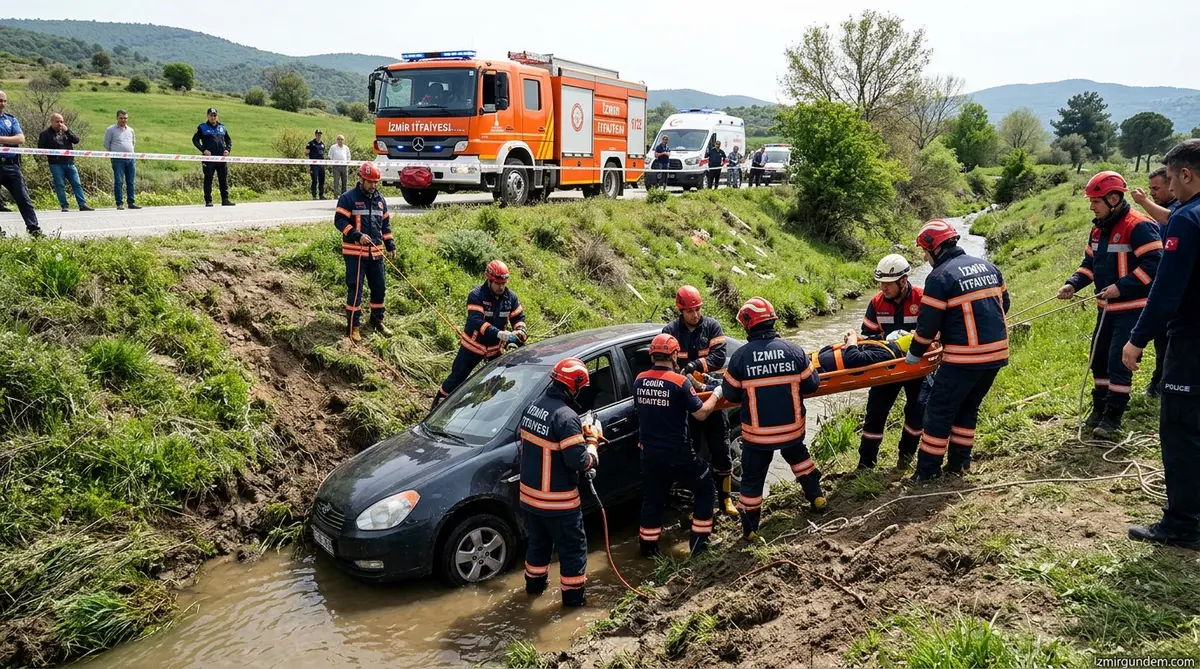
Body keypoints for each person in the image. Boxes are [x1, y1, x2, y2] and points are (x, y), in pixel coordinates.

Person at [1122, 139, 1200, 550]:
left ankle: (1184, 524)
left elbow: (1166, 292)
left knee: (1181, 429)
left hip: (1191, 342)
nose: (1168, 186)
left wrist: (1136, 339)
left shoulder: (1187, 221)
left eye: (1170, 179)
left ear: (1185, 175)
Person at [1056, 171, 1162, 439]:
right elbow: (1090, 265)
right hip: (1106, 310)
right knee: (1098, 359)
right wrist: (1072, 284)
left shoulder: (1138, 225)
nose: (1091, 206)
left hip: (1133, 309)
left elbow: (1154, 265)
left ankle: (1113, 416)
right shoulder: (1098, 229)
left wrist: (1120, 287)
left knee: (1118, 362)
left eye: (1095, 201)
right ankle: (1100, 405)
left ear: (1113, 198)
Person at [906, 219, 1010, 483]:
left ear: (934, 248)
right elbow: (1003, 305)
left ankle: (927, 471)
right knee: (968, 407)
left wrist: (915, 353)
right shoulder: (989, 267)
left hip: (964, 359)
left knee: (938, 410)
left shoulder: (940, 277)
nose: (925, 257)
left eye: (925, 252)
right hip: (996, 354)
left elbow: (927, 325)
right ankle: (959, 464)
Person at [721, 297, 823, 542]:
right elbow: (812, 385)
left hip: (758, 436)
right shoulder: (794, 351)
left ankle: (751, 530)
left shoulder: (740, 358)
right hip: (792, 431)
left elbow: (730, 394)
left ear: (748, 326)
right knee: (800, 459)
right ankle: (817, 497)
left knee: (752, 479)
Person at [635, 334, 726, 557]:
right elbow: (702, 414)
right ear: (675, 355)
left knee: (653, 499)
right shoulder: (679, 382)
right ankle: (699, 546)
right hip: (677, 452)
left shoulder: (639, 380)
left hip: (649, 453)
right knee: (705, 488)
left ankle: (648, 550)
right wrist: (716, 394)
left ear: (652, 355)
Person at [519, 357, 599, 606]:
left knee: (538, 546)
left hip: (530, 499)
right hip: (558, 503)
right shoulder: (566, 417)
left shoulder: (532, 407)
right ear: (573, 386)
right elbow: (579, 461)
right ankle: (573, 603)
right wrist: (593, 442)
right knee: (573, 550)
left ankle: (533, 591)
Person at [662, 285, 736, 518]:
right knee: (691, 452)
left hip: (712, 399)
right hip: (686, 403)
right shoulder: (671, 331)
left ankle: (725, 501)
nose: (695, 314)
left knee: (721, 450)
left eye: (698, 309)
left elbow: (719, 356)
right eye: (690, 311)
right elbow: (667, 361)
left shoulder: (712, 326)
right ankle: (698, 502)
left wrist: (696, 367)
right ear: (680, 311)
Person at [856, 254, 926, 471]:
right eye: (881, 283)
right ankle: (866, 464)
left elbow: (935, 332)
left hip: (917, 366)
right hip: (886, 366)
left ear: (903, 281)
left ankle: (905, 458)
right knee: (875, 412)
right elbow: (866, 337)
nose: (883, 288)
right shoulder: (876, 303)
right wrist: (887, 340)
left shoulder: (922, 299)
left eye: (888, 284)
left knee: (917, 412)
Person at [432, 260, 527, 409]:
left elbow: (518, 317)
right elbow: (476, 321)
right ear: (489, 280)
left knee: (497, 380)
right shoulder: (477, 295)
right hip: (472, 347)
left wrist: (520, 330)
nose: (501, 287)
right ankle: (439, 405)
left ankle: (479, 406)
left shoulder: (510, 298)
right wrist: (500, 334)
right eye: (497, 283)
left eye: (503, 283)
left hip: (494, 350)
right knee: (457, 377)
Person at [335, 162, 395, 342]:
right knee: (356, 290)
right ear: (360, 179)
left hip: (376, 254)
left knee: (379, 288)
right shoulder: (348, 198)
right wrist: (356, 234)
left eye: (375, 182)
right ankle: (353, 326)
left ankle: (377, 320)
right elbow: (339, 221)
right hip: (355, 254)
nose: (373, 185)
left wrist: (390, 244)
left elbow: (385, 224)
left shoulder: (380, 200)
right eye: (369, 182)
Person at [1132, 167, 1178, 398]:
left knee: (1167, 338)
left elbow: (1168, 219)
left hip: (1173, 287)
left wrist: (1142, 202)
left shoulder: (1180, 211)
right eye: (1150, 189)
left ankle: (1162, 383)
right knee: (1162, 337)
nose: (1153, 193)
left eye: (1157, 188)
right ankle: (1159, 382)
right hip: (1157, 282)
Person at [0, 90, 42, 237]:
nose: (2, 104)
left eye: (4, 101)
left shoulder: (11, 120)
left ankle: (34, 229)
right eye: (0, 101)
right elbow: (13, 138)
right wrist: (8, 138)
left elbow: (20, 139)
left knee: (23, 198)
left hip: (11, 164)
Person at [37, 113, 92, 213]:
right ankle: (64, 205)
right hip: (55, 163)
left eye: (61, 121)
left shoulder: (66, 132)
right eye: (57, 122)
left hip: (70, 162)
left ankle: (82, 204)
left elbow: (76, 140)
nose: (59, 124)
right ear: (52, 122)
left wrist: (67, 131)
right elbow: (40, 149)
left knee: (77, 184)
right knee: (60, 184)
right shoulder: (45, 134)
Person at [815, 330, 912, 373]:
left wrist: (852, 342)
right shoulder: (886, 346)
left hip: (819, 368)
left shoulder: (886, 354)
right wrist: (855, 338)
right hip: (818, 361)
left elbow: (854, 359)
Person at [192, 107, 234, 207]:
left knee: (223, 180)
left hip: (221, 159)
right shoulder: (202, 127)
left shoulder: (222, 127)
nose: (213, 117)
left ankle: (225, 199)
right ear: (207, 116)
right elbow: (195, 140)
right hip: (209, 159)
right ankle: (208, 200)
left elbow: (228, 141)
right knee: (208, 179)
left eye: (215, 115)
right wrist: (203, 150)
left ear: (217, 116)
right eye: (211, 115)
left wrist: (227, 150)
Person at [103, 109, 140, 210]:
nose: (123, 120)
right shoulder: (111, 130)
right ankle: (119, 203)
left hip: (131, 159)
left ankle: (131, 202)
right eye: (121, 118)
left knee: (131, 182)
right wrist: (114, 153)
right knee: (119, 181)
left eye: (125, 118)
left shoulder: (130, 130)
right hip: (118, 160)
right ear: (117, 118)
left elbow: (133, 143)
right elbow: (106, 144)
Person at [306, 129, 327, 200]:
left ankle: (321, 195)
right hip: (314, 165)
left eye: (320, 135)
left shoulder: (322, 144)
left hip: (321, 164)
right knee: (314, 180)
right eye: (317, 134)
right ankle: (314, 195)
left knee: (322, 180)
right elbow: (306, 153)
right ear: (315, 135)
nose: (319, 136)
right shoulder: (311, 143)